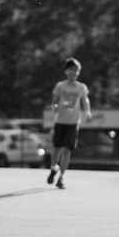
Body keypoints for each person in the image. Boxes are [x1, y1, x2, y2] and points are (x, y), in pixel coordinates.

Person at [46, 57, 92, 190]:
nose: (73, 73)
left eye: (75, 70)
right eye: (70, 70)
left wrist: (88, 111)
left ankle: (61, 177)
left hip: (73, 123)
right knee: (57, 148)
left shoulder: (81, 87)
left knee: (67, 150)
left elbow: (85, 100)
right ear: (66, 71)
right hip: (60, 121)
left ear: (79, 72)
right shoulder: (60, 86)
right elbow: (54, 100)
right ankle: (54, 168)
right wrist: (54, 107)